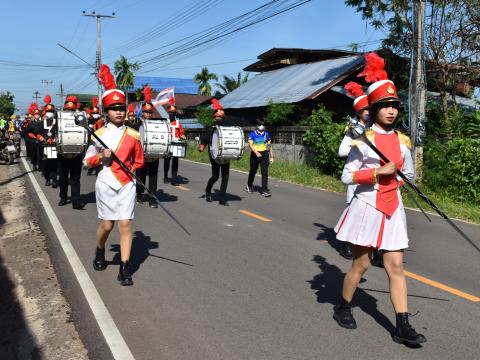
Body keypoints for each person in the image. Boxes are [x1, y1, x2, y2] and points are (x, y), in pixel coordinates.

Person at [332, 52, 426, 346]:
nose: (391, 111)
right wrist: (376, 173)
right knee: (360, 265)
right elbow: (347, 176)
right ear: (372, 109)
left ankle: (402, 326)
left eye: (394, 106)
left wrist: (400, 179)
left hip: (392, 208)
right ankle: (343, 306)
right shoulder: (362, 141)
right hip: (367, 206)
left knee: (396, 266)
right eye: (384, 106)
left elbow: (407, 174)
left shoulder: (402, 142)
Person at [85, 64, 144, 286]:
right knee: (107, 226)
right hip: (106, 183)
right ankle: (100, 249)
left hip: (127, 184)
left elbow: (139, 160)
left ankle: (125, 268)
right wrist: (101, 158)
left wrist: (132, 169)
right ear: (106, 111)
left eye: (121, 107)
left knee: (125, 225)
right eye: (114, 108)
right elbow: (87, 161)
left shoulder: (134, 135)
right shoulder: (98, 135)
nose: (119, 111)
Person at [199, 99, 230, 206]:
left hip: (225, 154)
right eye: (218, 117)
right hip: (214, 155)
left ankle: (222, 199)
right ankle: (208, 191)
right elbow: (204, 140)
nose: (220, 118)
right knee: (215, 177)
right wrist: (202, 146)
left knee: (225, 177)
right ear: (214, 117)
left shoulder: (227, 128)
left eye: (222, 117)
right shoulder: (210, 128)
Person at [57, 95, 86, 209]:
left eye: (72, 110)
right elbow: (56, 132)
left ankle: (76, 201)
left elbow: (84, 132)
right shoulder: (59, 118)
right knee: (63, 178)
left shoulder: (81, 118)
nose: (70, 112)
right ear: (65, 109)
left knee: (75, 178)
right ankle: (63, 198)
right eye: (68, 109)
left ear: (75, 109)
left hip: (76, 152)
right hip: (63, 153)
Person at [136, 85, 160, 208]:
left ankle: (152, 198)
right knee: (141, 175)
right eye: (146, 112)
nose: (148, 114)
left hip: (153, 153)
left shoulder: (157, 124)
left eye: (150, 112)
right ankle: (139, 194)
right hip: (140, 154)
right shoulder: (137, 124)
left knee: (153, 177)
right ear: (142, 112)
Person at [245, 118, 274, 197]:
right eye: (260, 124)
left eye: (263, 124)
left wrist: (271, 156)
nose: (262, 126)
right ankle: (249, 185)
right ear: (257, 125)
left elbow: (269, 145)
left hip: (264, 154)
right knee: (253, 171)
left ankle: (264, 190)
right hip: (255, 154)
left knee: (265, 173)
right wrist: (256, 152)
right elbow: (250, 144)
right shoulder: (253, 134)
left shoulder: (266, 134)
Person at [163, 96, 185, 185]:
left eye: (173, 113)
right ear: (168, 113)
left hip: (176, 143)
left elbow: (181, 132)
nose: (172, 114)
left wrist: (182, 135)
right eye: (170, 113)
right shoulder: (165, 122)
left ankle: (174, 179)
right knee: (167, 161)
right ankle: (165, 176)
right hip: (168, 143)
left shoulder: (178, 123)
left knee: (175, 162)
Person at [41, 95, 58, 187]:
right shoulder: (41, 122)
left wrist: (55, 138)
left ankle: (54, 180)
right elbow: (38, 133)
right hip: (44, 145)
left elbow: (59, 132)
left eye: (51, 111)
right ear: (45, 112)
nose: (49, 113)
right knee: (46, 164)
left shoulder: (57, 122)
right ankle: (47, 178)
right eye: (48, 111)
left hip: (54, 145)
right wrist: (41, 137)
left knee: (54, 163)